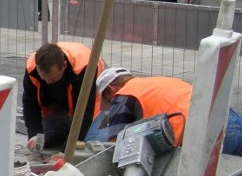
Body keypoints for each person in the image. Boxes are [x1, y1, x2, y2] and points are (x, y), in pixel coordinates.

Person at [96, 67, 242, 156]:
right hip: (232, 119)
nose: (111, 104)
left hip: (204, 131)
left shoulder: (123, 94)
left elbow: (115, 146)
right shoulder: (158, 82)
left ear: (110, 90)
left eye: (108, 101)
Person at [23, 42, 106, 150]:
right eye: (44, 79)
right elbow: (30, 103)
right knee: (47, 140)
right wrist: (34, 134)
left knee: (85, 143)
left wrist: (64, 155)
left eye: (52, 78)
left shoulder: (84, 69)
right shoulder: (32, 68)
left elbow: (84, 115)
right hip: (57, 102)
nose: (48, 82)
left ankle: (115, 132)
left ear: (64, 66)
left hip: (91, 104)